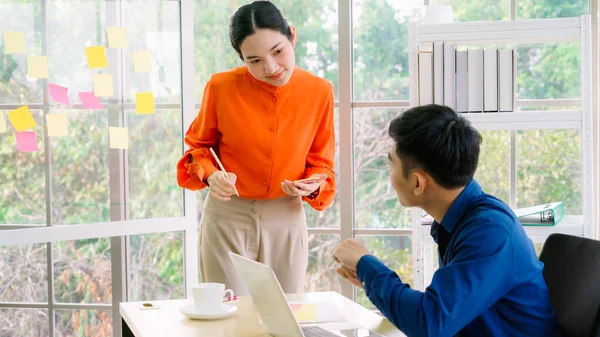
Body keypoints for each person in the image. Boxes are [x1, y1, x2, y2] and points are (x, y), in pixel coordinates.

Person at [333, 104, 560, 337]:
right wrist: (372, 282)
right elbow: (440, 313)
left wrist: (366, 266)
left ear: (418, 183)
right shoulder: (465, 221)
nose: (389, 173)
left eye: (392, 165)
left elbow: (429, 324)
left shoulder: (489, 233)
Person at [177, 0, 335, 295]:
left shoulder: (319, 91)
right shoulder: (220, 87)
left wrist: (312, 184)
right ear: (241, 58)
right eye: (255, 60)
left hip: (286, 217)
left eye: (278, 51)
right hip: (226, 218)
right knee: (228, 316)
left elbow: (322, 163)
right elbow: (198, 148)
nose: (271, 68)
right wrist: (211, 176)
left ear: (292, 35)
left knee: (284, 315)